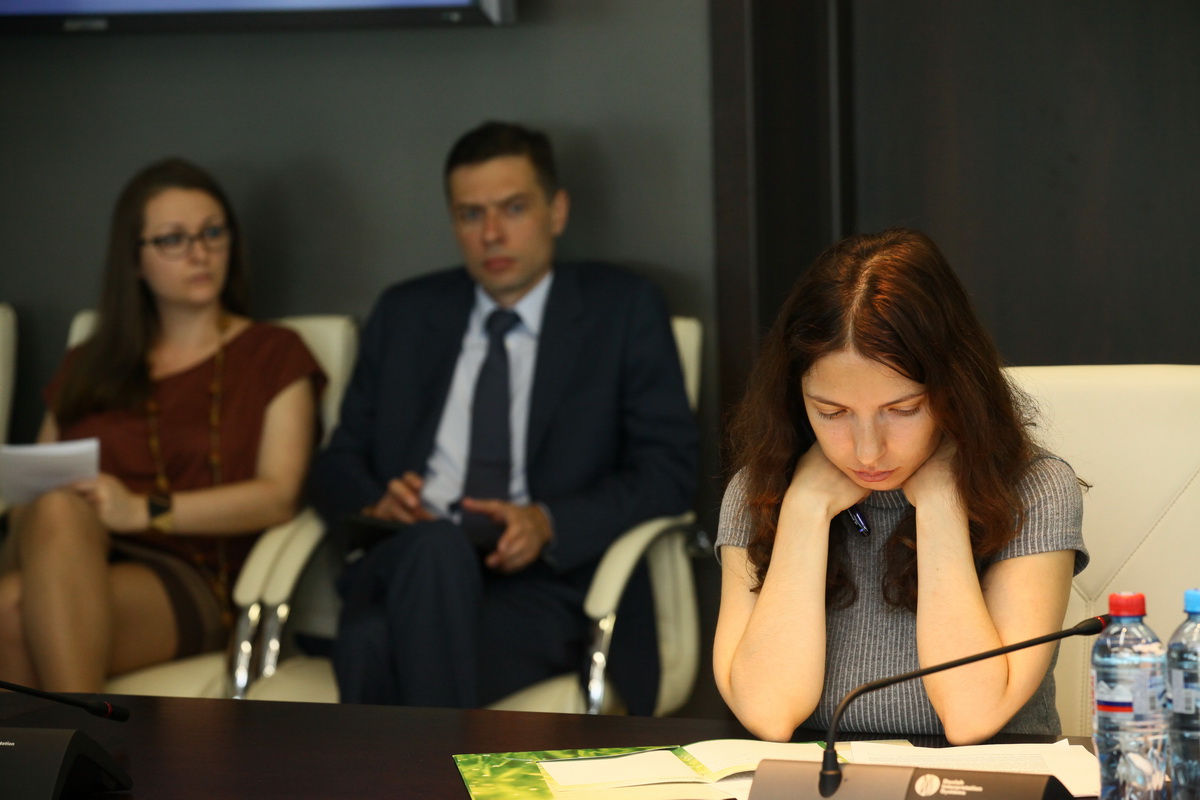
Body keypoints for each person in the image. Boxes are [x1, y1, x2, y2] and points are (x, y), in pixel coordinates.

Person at [309, 121, 698, 713]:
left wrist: (546, 522)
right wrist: (375, 503)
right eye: (471, 215)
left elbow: (668, 470)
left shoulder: (621, 310)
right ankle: (446, 767)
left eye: (513, 208)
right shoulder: (406, 314)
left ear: (556, 211)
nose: (491, 233)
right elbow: (336, 463)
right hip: (408, 563)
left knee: (368, 647)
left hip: (543, 589)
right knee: (433, 550)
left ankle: (407, 766)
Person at [712, 228, 1088, 744]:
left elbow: (972, 715)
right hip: (819, 777)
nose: (867, 451)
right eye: (833, 413)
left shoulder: (1036, 489)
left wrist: (941, 503)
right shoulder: (760, 490)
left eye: (903, 409)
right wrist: (805, 509)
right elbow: (767, 713)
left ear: (956, 388)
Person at [0, 158, 326, 693]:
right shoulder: (89, 361)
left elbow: (278, 498)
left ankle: (80, 737)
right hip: (67, 550)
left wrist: (143, 510)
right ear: (134, 259)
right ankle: (84, 740)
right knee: (55, 510)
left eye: (213, 233)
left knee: (12, 609)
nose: (199, 254)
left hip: (192, 577)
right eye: (174, 239)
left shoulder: (273, 353)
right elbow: (32, 490)